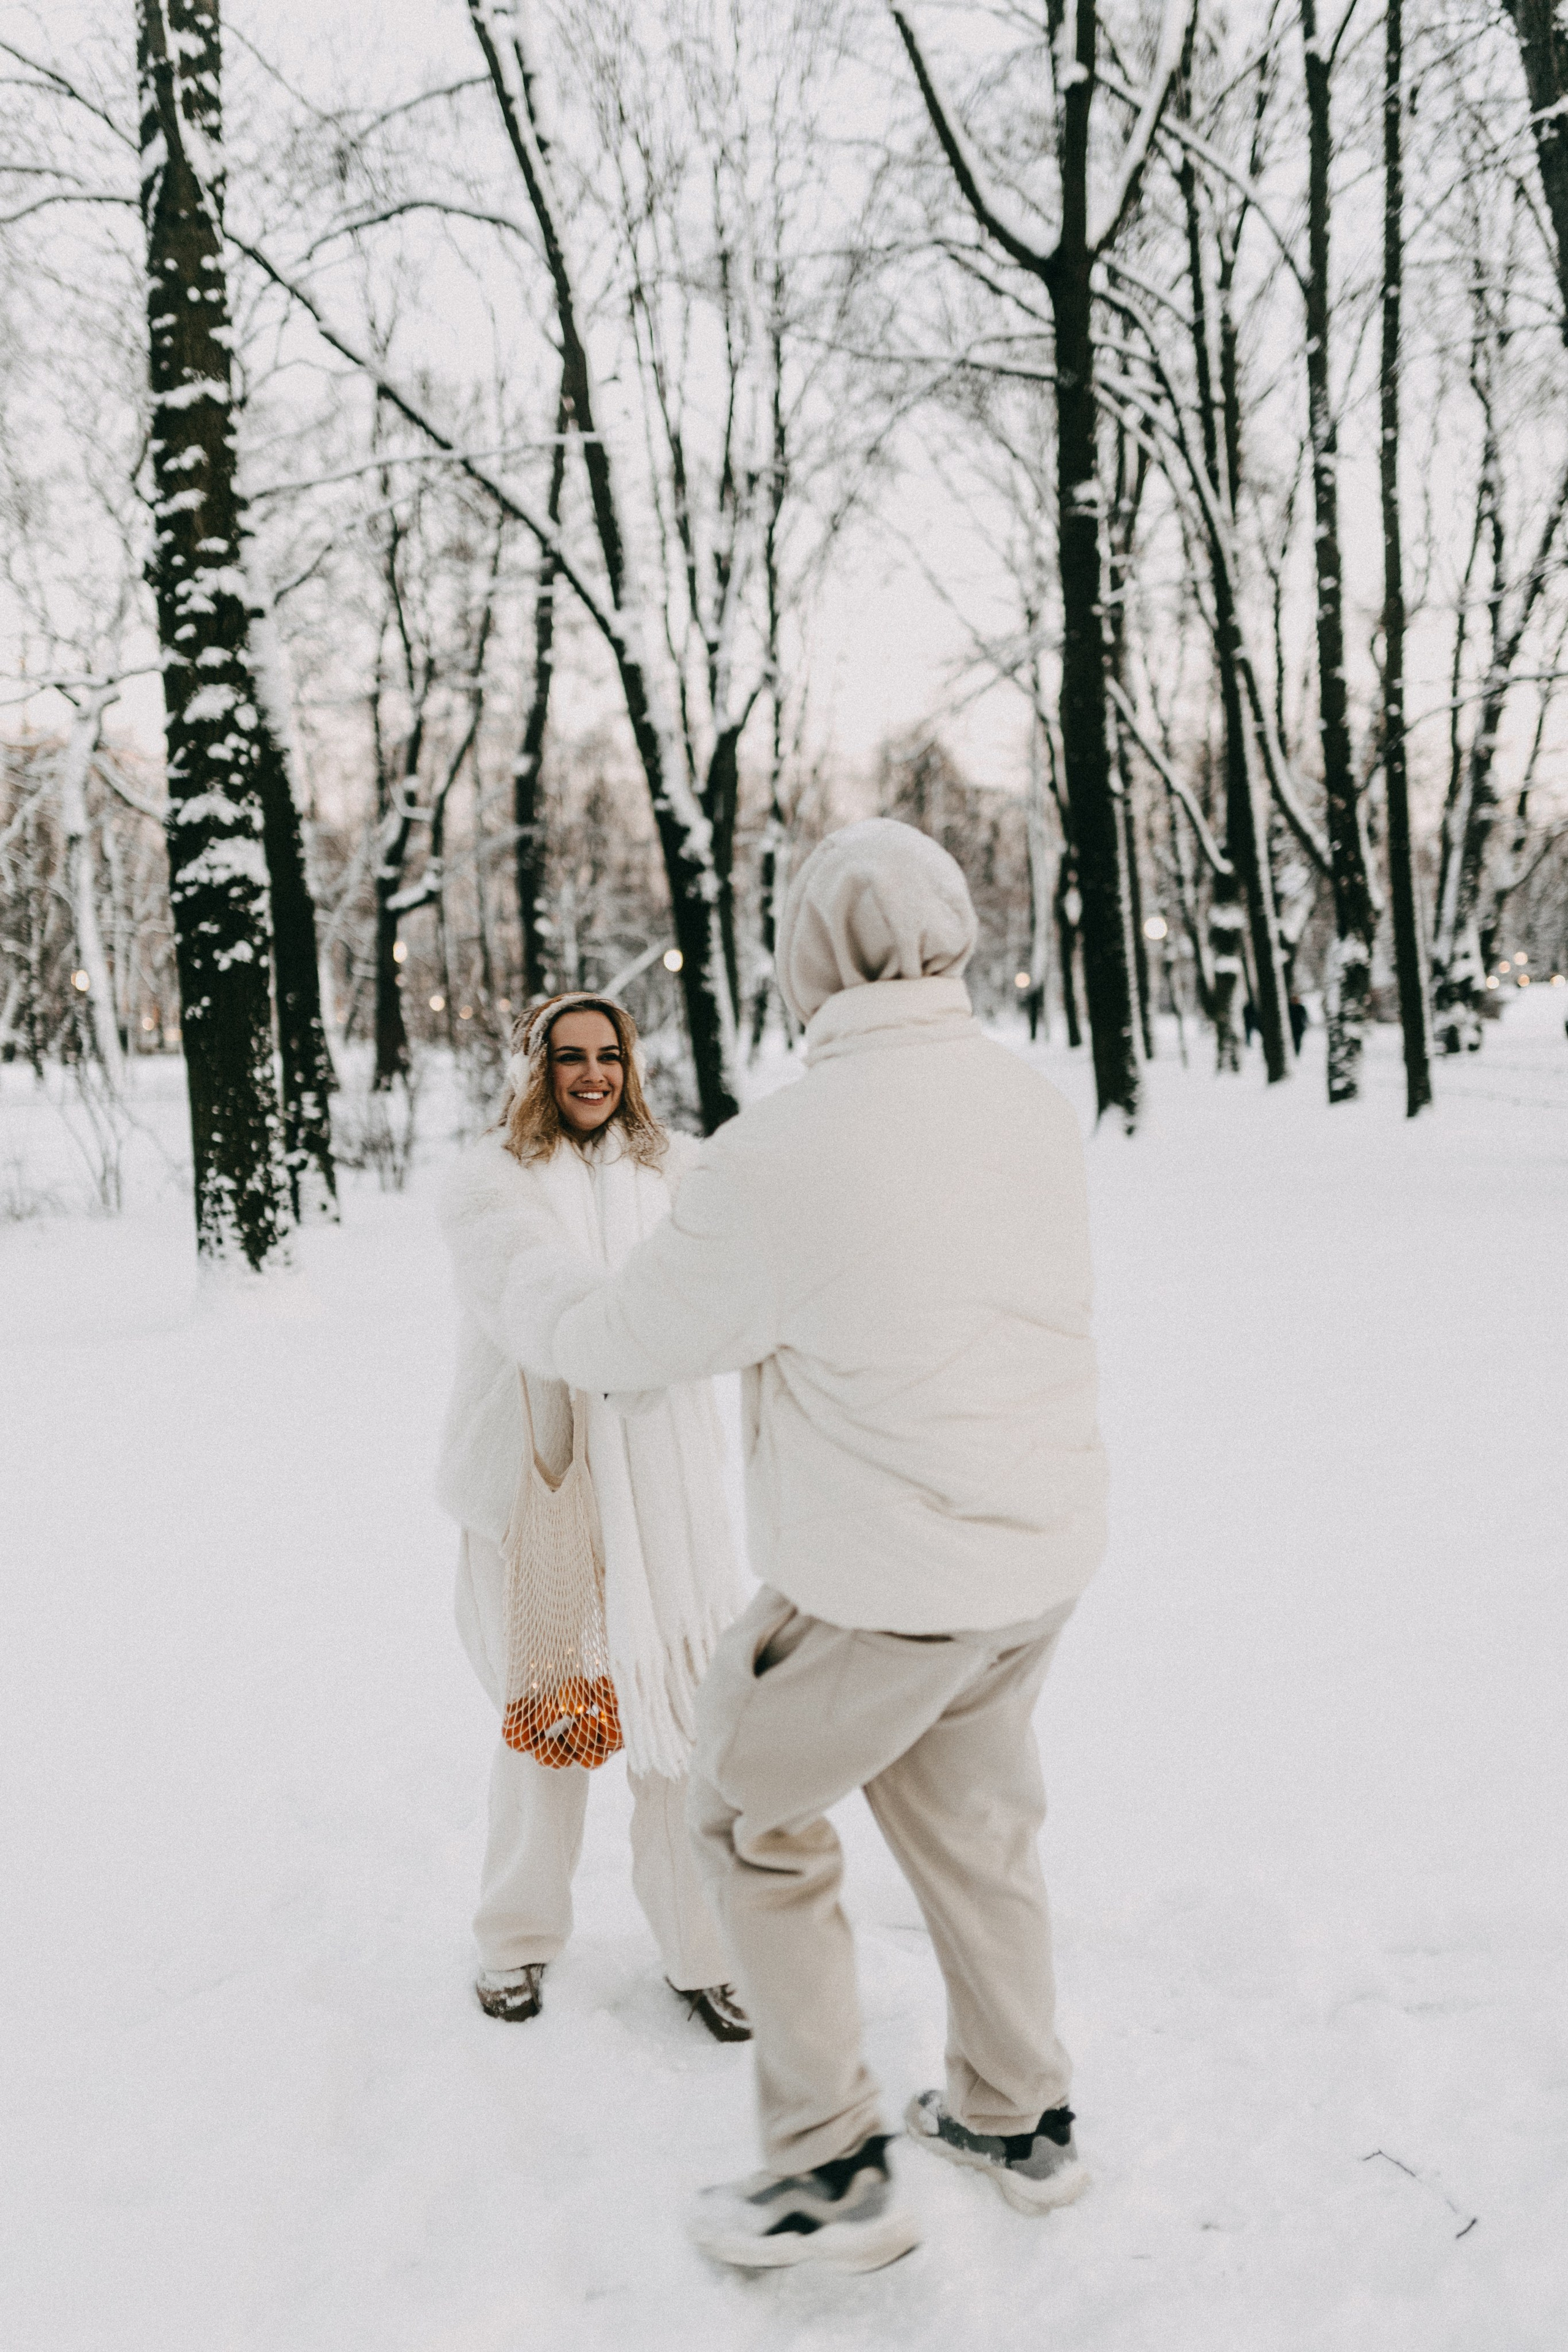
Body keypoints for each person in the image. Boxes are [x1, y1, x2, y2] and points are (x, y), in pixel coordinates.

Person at [511, 822, 1109, 2272]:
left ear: (807, 962)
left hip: (881, 1583)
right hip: (1032, 1557)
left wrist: (536, 1307)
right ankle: (1020, 2116)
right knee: (974, 1835)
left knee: (741, 1811)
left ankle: (829, 2165)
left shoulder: (779, 1151)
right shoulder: (1030, 1102)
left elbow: (639, 1336)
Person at [435, 992, 750, 2044]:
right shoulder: (490, 1186)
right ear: (535, 1068)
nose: (592, 1074)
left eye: (608, 1054)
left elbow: (735, 1279)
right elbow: (527, 1283)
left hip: (667, 1497)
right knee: (550, 1724)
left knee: (680, 1725)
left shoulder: (680, 1173)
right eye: (568, 1056)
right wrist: (630, 1342)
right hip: (547, 1490)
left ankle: (706, 1954)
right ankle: (515, 1939)